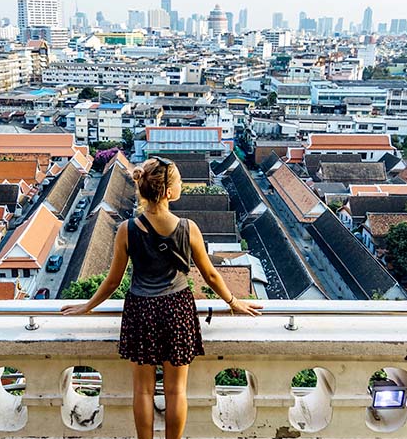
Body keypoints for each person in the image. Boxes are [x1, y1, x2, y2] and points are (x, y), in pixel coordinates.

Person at [61, 156, 262, 439]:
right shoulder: (187, 228)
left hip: (141, 309)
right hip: (177, 309)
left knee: (142, 390)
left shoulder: (127, 230)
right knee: (176, 391)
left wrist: (87, 306)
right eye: (178, 182)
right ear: (168, 192)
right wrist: (234, 302)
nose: (181, 185)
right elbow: (211, 275)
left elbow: (113, 281)